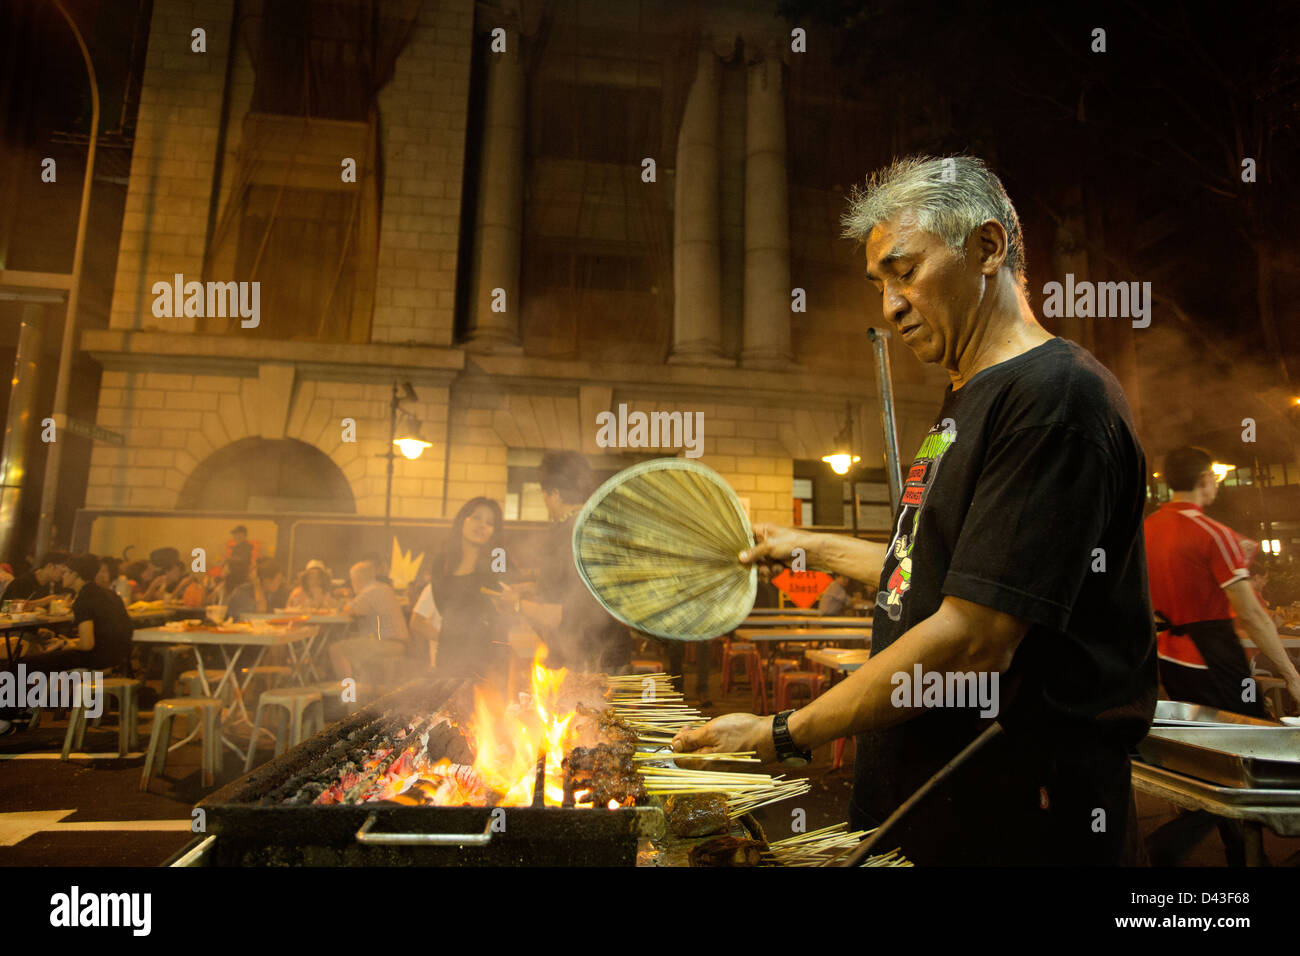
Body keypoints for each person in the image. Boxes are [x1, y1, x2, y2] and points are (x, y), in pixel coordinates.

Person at [672, 155, 1156, 866]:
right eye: (879, 284)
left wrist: (781, 732)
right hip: (933, 803)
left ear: (987, 249)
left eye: (906, 272)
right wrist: (802, 545)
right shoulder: (970, 396)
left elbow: (972, 635)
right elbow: (930, 571)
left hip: (1017, 821)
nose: (890, 304)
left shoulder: (1055, 399)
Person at [1144, 446, 1300, 716]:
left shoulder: (1147, 529)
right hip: (1212, 656)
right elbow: (1251, 614)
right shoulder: (1213, 533)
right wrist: (1292, 676)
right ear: (1204, 478)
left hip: (1167, 656)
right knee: (1251, 737)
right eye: (1215, 477)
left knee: (1199, 742)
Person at [496, 451, 633, 674]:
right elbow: (576, 588)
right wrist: (532, 588)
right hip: (613, 650)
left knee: (584, 709)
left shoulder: (563, 534)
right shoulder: (599, 525)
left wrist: (516, 603)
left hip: (588, 658)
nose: (546, 504)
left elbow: (563, 613)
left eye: (544, 496)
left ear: (555, 494)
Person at [411, 497, 513, 682]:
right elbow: (443, 609)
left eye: (490, 523)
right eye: (476, 517)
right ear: (462, 520)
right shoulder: (442, 564)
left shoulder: (495, 565)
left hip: (488, 661)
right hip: (449, 658)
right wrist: (451, 638)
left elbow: (504, 612)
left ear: (493, 532)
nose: (482, 525)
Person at [23, 553, 134, 675]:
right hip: (118, 657)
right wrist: (68, 643)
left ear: (75, 574)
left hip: (98, 660)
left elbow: (87, 644)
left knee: (25, 664)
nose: (62, 576)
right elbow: (102, 633)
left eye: (65, 572)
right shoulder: (109, 594)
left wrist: (68, 645)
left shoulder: (84, 599)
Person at [344, 560, 409, 641]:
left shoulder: (370, 591)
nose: (352, 584)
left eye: (352, 580)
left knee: (336, 649)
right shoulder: (382, 587)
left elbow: (349, 609)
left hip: (387, 642)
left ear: (358, 579)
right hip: (398, 640)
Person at [5, 551, 72, 607]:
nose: (65, 573)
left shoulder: (55, 585)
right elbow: (6, 608)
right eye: (63, 569)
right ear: (50, 566)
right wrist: (48, 600)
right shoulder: (23, 582)